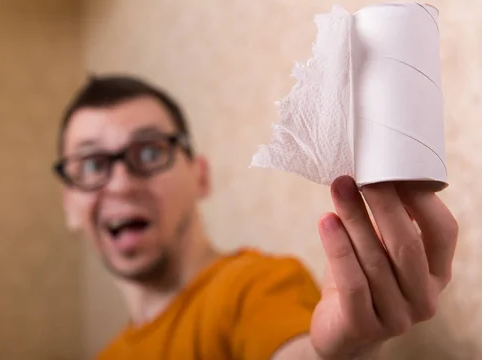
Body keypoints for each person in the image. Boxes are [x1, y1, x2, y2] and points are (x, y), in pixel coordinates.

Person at [53, 75, 458, 360]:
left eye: (149, 151)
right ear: (69, 204)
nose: (121, 184)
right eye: (90, 165)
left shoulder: (257, 286)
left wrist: (346, 350)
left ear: (201, 176)